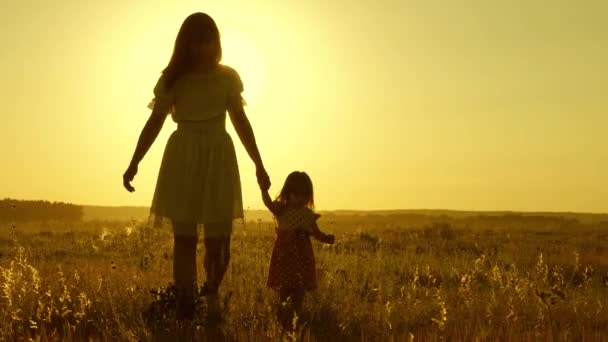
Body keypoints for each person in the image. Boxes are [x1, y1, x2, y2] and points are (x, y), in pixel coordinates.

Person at [122, 12, 271, 320]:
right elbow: (154, 122)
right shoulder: (172, 79)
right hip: (182, 156)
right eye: (196, 42)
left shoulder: (227, 77)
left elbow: (241, 122)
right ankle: (185, 303)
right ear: (186, 44)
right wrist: (134, 161)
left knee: (220, 241)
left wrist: (259, 163)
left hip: (218, 155)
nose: (203, 48)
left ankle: (212, 294)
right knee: (185, 239)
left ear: (216, 43)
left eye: (208, 41)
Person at [261, 171, 335, 330]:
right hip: (285, 255)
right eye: (296, 194)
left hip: (302, 256)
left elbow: (315, 232)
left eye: (304, 195)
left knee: (300, 286)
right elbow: (268, 203)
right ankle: (284, 315)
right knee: (285, 285)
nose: (300, 198)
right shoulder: (282, 209)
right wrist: (263, 189)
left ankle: (296, 314)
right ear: (288, 193)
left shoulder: (308, 215)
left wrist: (326, 238)